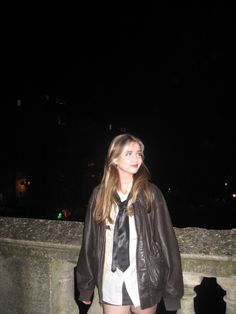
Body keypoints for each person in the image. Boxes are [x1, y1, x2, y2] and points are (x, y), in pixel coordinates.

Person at [75, 133, 184, 314]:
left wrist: (172, 292)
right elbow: (90, 243)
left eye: (139, 153)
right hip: (111, 279)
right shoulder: (99, 195)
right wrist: (85, 286)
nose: (136, 158)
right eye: (129, 153)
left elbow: (168, 243)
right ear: (114, 159)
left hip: (145, 279)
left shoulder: (151, 193)